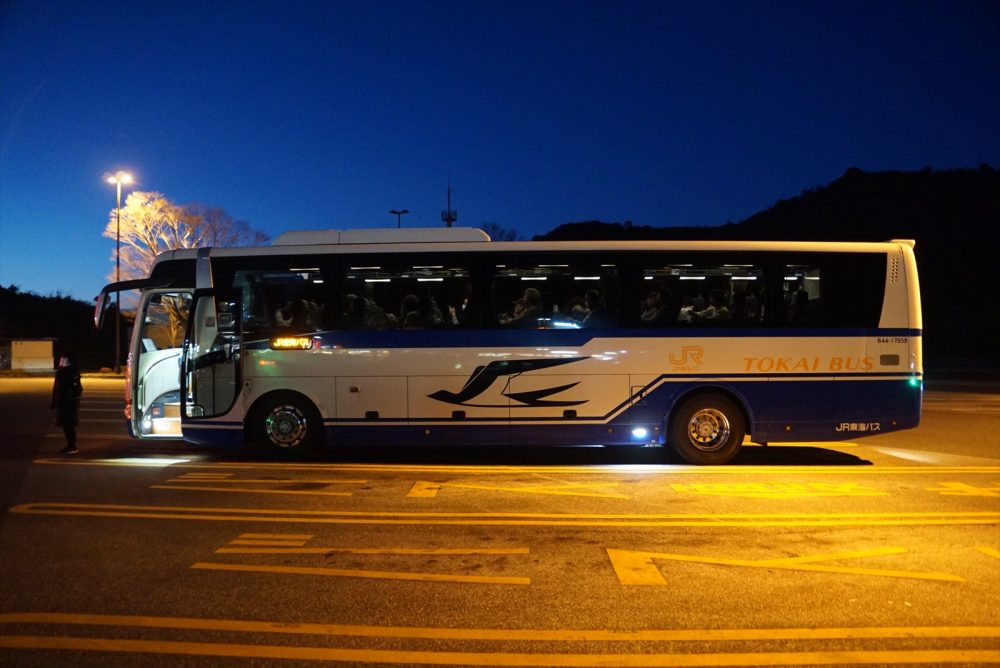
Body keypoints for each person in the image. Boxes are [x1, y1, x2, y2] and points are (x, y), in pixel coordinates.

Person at [51, 352, 83, 454]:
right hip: (62, 401)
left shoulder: (72, 372)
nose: (61, 361)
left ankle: (72, 446)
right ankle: (70, 445)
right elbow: (56, 388)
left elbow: (77, 388)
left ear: (69, 362)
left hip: (69, 402)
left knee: (69, 424)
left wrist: (73, 399)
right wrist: (54, 400)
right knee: (65, 425)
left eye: (63, 360)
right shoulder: (61, 372)